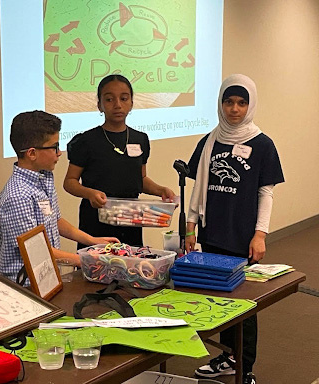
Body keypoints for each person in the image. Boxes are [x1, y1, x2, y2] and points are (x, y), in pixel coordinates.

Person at [185, 74, 284, 384]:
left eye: (242, 103)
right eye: (229, 102)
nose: (235, 109)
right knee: (216, 300)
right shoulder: (210, 140)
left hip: (242, 236)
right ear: (220, 103)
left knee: (243, 304)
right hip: (211, 232)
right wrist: (190, 227)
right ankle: (228, 356)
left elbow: (265, 193)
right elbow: (199, 186)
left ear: (250, 105)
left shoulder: (262, 144)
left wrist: (260, 234)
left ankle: (245, 367)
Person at [0, 110, 119, 283]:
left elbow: (55, 220)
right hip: (25, 285)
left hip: (47, 278)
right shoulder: (18, 196)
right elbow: (35, 250)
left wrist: (93, 242)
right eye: (54, 147)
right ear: (32, 153)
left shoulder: (44, 178)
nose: (59, 152)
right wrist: (85, 260)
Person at [64, 74, 175, 248]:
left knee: (132, 269)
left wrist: (160, 190)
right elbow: (69, 182)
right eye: (109, 99)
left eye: (124, 98)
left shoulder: (141, 139)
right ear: (99, 105)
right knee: (95, 271)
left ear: (131, 103)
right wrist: (90, 193)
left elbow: (141, 179)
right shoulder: (86, 141)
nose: (117, 105)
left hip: (131, 219)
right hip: (95, 221)